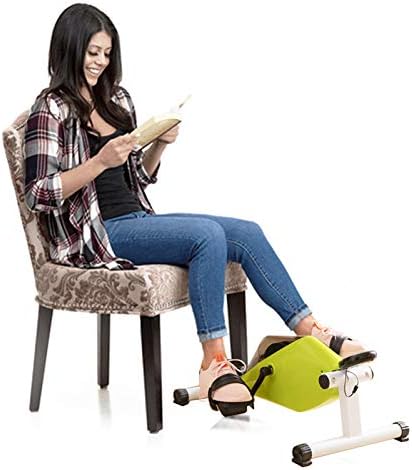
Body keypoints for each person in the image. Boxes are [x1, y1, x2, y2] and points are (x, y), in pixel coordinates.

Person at [24, 3, 368, 416]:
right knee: (206, 236)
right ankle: (214, 364)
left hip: (135, 219)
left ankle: (309, 328)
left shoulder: (116, 99)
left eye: (107, 53)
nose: (100, 62)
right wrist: (98, 162)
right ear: (69, 48)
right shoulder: (50, 109)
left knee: (246, 232)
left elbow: (138, 178)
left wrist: (160, 143)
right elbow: (38, 194)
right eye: (92, 52)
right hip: (95, 235)